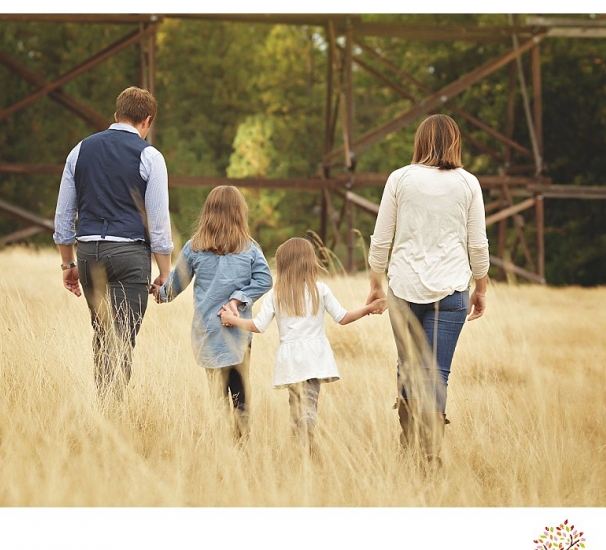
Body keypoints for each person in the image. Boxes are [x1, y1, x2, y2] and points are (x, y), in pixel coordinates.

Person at [367, 113, 490, 466]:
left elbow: (381, 240)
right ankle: (430, 456)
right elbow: (478, 245)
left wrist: (376, 284)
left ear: (419, 141)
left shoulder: (400, 179)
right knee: (436, 374)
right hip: (451, 292)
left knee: (407, 367)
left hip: (403, 290)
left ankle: (409, 449)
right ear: (455, 142)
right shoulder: (468, 184)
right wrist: (480, 286)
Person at [53, 86, 173, 401]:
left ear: (116, 115)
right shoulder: (150, 156)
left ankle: (105, 406)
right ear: (147, 121)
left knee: (104, 334)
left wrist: (68, 265)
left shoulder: (79, 150)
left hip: (89, 253)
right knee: (122, 338)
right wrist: (164, 273)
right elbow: (159, 224)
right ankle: (112, 410)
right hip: (130, 253)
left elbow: (64, 218)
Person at [219, 236, 386, 448]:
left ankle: (301, 442)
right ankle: (306, 443)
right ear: (309, 262)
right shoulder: (320, 289)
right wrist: (368, 309)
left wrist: (232, 320)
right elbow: (343, 317)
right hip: (315, 358)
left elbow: (258, 326)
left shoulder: (276, 294)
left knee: (296, 404)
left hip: (290, 361)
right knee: (310, 403)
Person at [153, 185, 272, 439]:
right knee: (241, 391)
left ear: (208, 213)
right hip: (239, 334)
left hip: (207, 333)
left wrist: (159, 294)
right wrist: (239, 300)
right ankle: (241, 443)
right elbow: (265, 279)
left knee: (216, 391)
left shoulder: (194, 248)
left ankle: (220, 443)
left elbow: (175, 286)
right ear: (240, 213)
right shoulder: (249, 249)